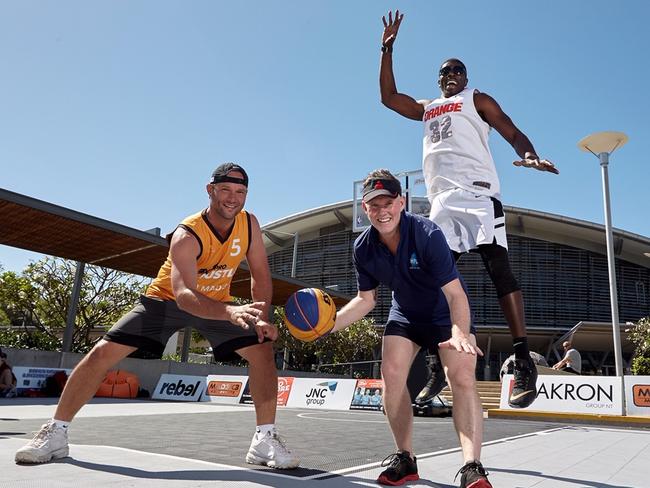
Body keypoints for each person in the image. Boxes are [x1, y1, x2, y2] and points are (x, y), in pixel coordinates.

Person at [15, 163, 299, 469]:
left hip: (217, 303)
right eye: (226, 190)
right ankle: (56, 432)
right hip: (166, 301)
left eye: (240, 192)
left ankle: (264, 439)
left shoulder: (249, 224)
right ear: (210, 190)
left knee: (262, 352)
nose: (233, 198)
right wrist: (230, 311)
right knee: (101, 354)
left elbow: (261, 274)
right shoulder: (187, 234)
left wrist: (260, 315)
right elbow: (185, 297)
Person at [379, 10, 560, 409]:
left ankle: (523, 358)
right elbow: (389, 98)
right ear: (438, 80)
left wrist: (530, 156)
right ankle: (434, 363)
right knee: (430, 281)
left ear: (466, 75)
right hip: (443, 204)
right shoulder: (428, 108)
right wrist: (387, 48)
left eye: (457, 70)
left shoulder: (477, 99)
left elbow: (512, 131)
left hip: (478, 197)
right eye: (444, 71)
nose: (450, 75)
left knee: (500, 270)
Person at [331, 169, 492, 487]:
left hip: (446, 316)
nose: (382, 211)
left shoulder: (427, 233)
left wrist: (459, 333)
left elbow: (455, 293)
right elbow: (365, 301)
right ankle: (405, 459)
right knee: (391, 373)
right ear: (365, 210)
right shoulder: (363, 248)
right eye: (373, 205)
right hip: (405, 315)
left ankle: (472, 466)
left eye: (387, 202)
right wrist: (328, 325)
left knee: (459, 376)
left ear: (401, 202)